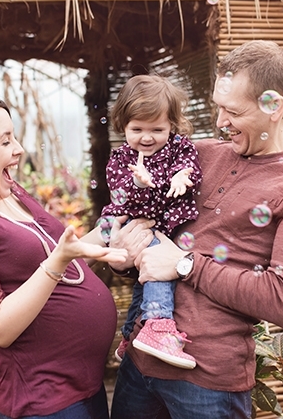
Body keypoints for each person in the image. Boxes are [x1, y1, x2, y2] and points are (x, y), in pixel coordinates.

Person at [107, 40, 283, 419]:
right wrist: (123, 252)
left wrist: (185, 265)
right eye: (218, 107)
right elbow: (147, 234)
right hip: (139, 363)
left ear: (273, 107)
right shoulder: (196, 155)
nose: (221, 121)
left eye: (233, 111)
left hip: (207, 381)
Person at [0, 97, 152, 419]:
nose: (19, 149)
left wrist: (115, 237)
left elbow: (63, 253)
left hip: (80, 386)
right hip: (36, 399)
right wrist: (58, 261)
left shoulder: (9, 190)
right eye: (5, 140)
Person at [99, 75, 203, 370]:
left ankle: (130, 336)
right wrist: (140, 183)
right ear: (123, 126)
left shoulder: (178, 147)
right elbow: (122, 195)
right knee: (158, 266)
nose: (147, 137)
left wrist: (184, 176)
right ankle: (159, 327)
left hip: (164, 222)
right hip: (136, 221)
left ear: (172, 125)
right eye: (137, 129)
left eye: (157, 129)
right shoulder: (121, 159)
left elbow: (190, 164)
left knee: (145, 280)